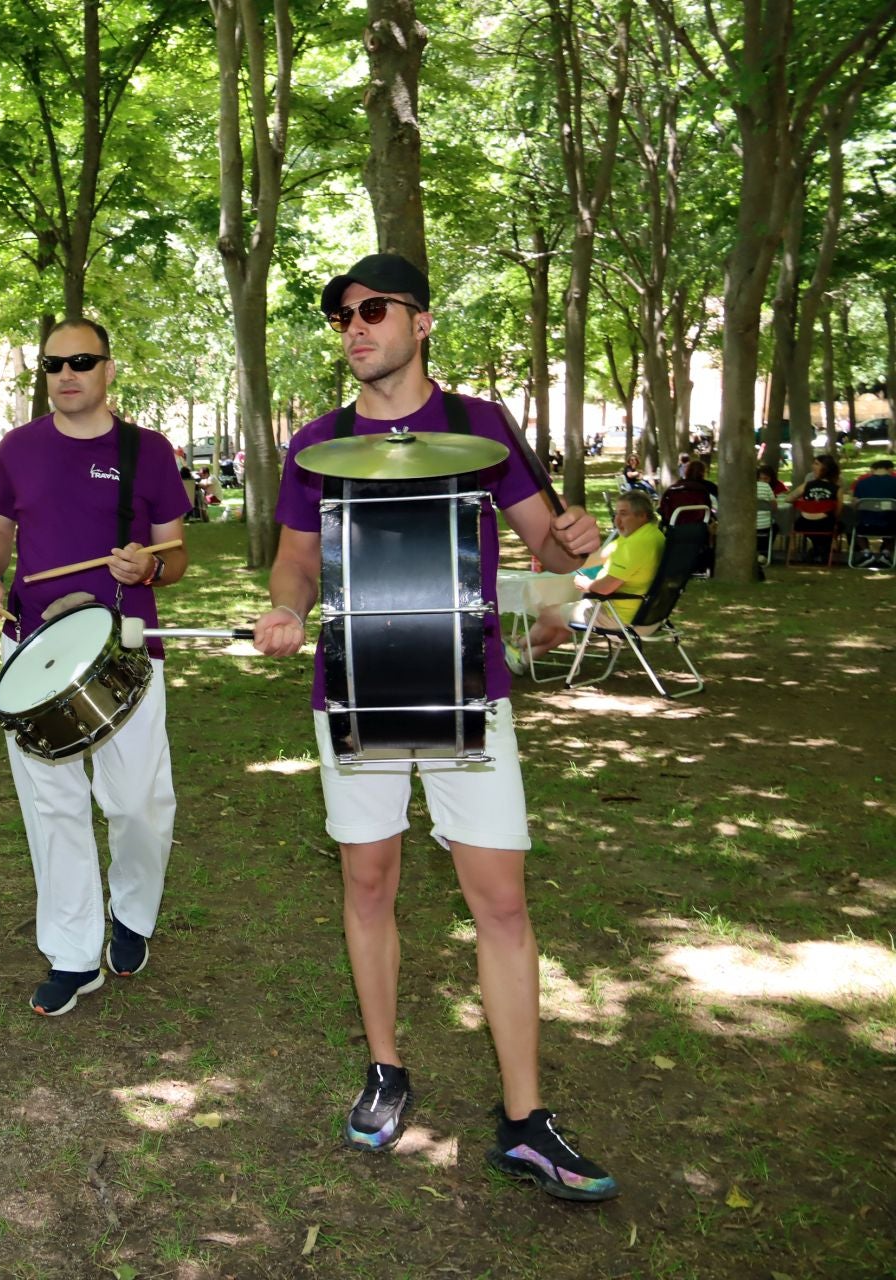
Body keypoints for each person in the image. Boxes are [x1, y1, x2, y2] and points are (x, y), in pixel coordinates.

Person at [253, 253, 617, 1202]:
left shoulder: (482, 425)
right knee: (368, 884)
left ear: (421, 322)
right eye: (341, 316)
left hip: (470, 690)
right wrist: (285, 608)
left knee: (500, 901)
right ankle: (386, 1069)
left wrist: (575, 545)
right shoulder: (315, 443)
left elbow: (546, 548)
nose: (354, 326)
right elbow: (294, 562)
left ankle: (526, 1119)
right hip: (357, 690)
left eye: (373, 309)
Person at [0, 318, 191, 1017]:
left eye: (81, 361)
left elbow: (177, 553)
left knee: (139, 805)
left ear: (108, 369)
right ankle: (72, 953)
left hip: (124, 648)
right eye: (53, 364)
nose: (66, 374)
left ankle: (131, 912)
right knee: (53, 808)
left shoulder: (147, 452)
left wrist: (151, 564)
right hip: (36, 650)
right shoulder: (19, 448)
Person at [516, 491, 665, 662]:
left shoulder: (635, 545)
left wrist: (586, 584)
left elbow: (604, 588)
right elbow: (601, 556)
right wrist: (560, 564)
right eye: (616, 514)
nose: (617, 520)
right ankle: (525, 658)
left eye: (624, 514)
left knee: (548, 614)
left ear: (642, 516)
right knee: (563, 622)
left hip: (619, 618)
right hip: (648, 615)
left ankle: (516, 647)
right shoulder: (651, 535)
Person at [786, 454, 841, 563]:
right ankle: (821, 551)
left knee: (813, 528)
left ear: (825, 468)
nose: (813, 466)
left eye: (816, 464)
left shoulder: (807, 485)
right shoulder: (837, 489)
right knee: (839, 525)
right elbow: (838, 512)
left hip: (803, 524)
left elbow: (789, 498)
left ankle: (816, 550)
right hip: (825, 524)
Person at [848, 457, 896, 568]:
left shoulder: (861, 483)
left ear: (873, 469)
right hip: (890, 526)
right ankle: (886, 553)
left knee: (854, 521)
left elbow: (855, 504)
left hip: (865, 525)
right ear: (890, 470)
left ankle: (866, 552)